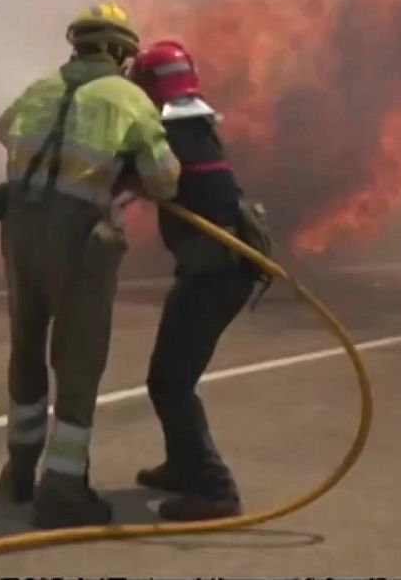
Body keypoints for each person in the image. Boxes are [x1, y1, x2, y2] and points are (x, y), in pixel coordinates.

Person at [0, 2, 181, 529]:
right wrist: (119, 168)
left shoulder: (40, 88)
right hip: (78, 242)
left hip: (20, 230)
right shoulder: (128, 99)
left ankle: (20, 471)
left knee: (26, 348)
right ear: (122, 53)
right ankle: (63, 488)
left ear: (76, 45)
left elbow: (5, 129)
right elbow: (166, 180)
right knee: (77, 361)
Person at [127, 39, 267, 521]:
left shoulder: (171, 130)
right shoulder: (195, 123)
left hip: (215, 273)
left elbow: (141, 173)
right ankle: (184, 466)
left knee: (170, 381)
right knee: (170, 376)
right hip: (217, 268)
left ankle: (214, 489)